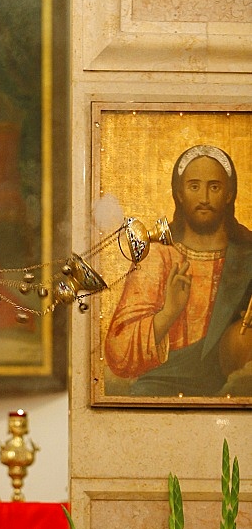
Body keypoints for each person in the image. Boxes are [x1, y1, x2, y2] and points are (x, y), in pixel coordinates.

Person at [104, 144, 252, 396]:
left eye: (214, 187)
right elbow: (118, 351)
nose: (204, 198)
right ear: (179, 193)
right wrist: (168, 312)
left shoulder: (247, 256)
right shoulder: (157, 256)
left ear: (229, 194)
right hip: (158, 391)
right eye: (194, 186)